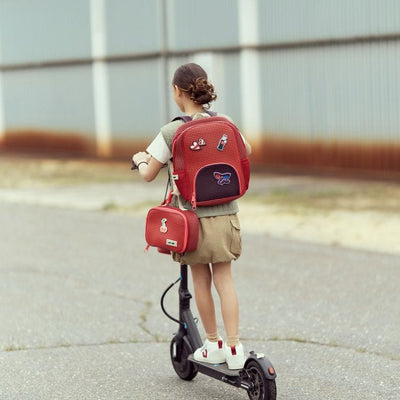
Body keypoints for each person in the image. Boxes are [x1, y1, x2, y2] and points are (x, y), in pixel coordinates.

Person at [132, 63, 252, 370]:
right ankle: (236, 347)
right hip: (227, 215)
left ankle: (212, 344)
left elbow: (148, 173)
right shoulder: (225, 122)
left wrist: (139, 158)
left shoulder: (171, 131)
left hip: (193, 219)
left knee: (202, 279)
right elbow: (246, 150)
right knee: (225, 280)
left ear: (177, 91)